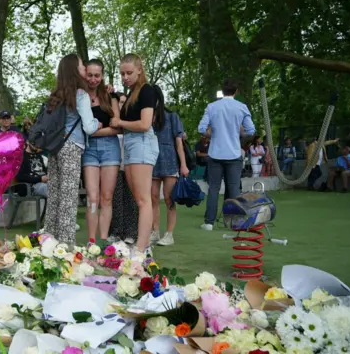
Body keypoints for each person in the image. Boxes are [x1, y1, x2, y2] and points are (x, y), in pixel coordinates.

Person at [109, 53, 164, 259]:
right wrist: (114, 97)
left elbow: (144, 124)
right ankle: (142, 245)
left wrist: (121, 123)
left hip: (142, 142)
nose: (125, 77)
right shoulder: (131, 93)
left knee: (143, 199)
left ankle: (141, 248)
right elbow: (118, 121)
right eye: (122, 73)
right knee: (139, 198)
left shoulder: (147, 90)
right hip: (132, 143)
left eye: (129, 72)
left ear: (140, 70)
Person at [44, 53, 100, 244]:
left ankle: (48, 241)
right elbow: (88, 127)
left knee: (54, 196)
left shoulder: (56, 95)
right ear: (74, 71)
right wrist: (97, 123)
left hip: (54, 148)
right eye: (82, 65)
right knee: (68, 198)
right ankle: (65, 246)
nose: (85, 68)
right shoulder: (81, 95)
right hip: (71, 147)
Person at [197, 78, 255, 231]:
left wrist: (211, 134)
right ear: (236, 91)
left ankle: (209, 222)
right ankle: (235, 221)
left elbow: (201, 128)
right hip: (234, 154)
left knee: (213, 188)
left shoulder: (212, 107)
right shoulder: (241, 107)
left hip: (215, 153)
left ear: (222, 91)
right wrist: (239, 132)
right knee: (234, 189)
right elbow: (251, 131)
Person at [82, 59, 121, 243]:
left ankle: (104, 239)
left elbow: (117, 127)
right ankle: (92, 240)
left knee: (106, 197)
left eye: (97, 75)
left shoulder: (110, 96)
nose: (93, 79)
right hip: (88, 150)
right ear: (85, 74)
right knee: (92, 197)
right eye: (90, 75)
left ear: (102, 76)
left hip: (110, 149)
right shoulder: (79, 97)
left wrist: (93, 132)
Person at [151, 108, 189, 247]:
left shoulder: (172, 117)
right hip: (152, 159)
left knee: (169, 198)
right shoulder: (146, 114)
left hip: (169, 160)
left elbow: (179, 142)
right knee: (153, 198)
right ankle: (155, 232)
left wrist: (183, 165)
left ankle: (169, 234)